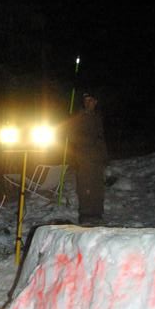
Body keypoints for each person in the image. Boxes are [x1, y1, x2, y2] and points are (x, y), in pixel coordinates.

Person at [69, 91, 107, 225]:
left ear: (95, 102)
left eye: (91, 100)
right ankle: (85, 214)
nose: (88, 102)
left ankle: (97, 213)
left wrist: (104, 156)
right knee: (84, 186)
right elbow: (73, 137)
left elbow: (101, 137)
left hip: (97, 158)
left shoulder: (97, 117)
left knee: (97, 186)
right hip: (83, 157)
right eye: (86, 100)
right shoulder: (78, 117)